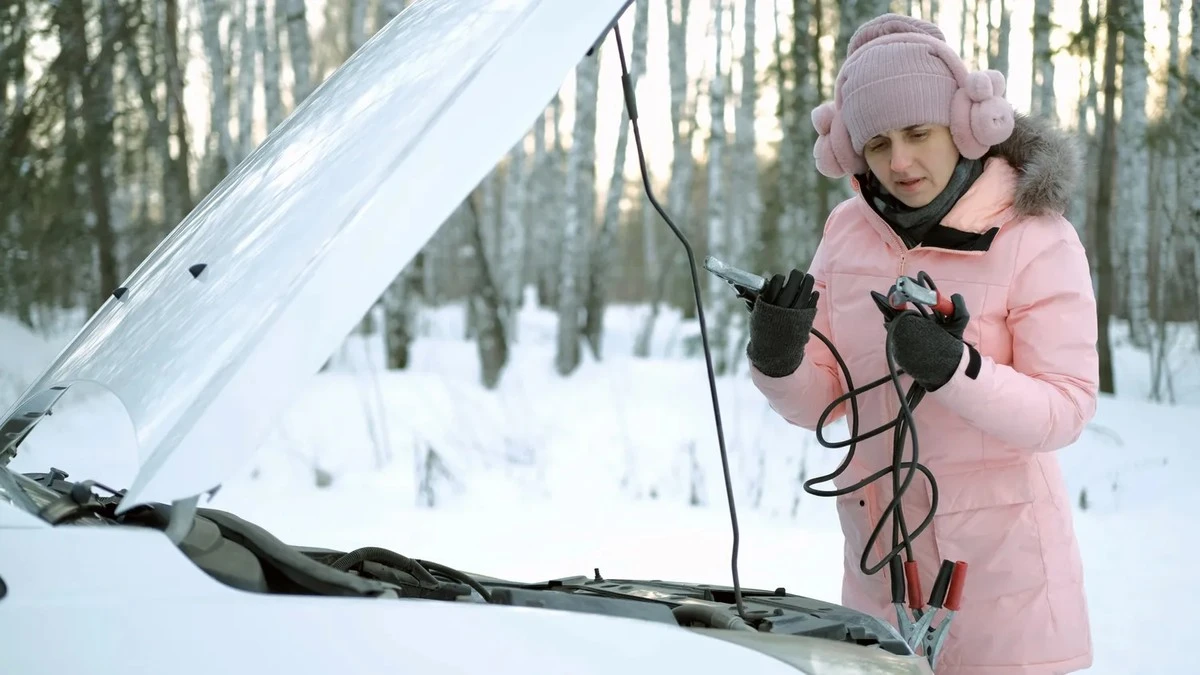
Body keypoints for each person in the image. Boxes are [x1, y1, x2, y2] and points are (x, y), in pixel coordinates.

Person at [744, 13, 1098, 675]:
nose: (899, 161)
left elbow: (1067, 408)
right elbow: (826, 396)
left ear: (965, 127)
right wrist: (779, 358)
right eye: (877, 143)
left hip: (1002, 592)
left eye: (917, 133)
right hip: (880, 572)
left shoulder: (1034, 235)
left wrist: (956, 369)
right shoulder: (848, 231)